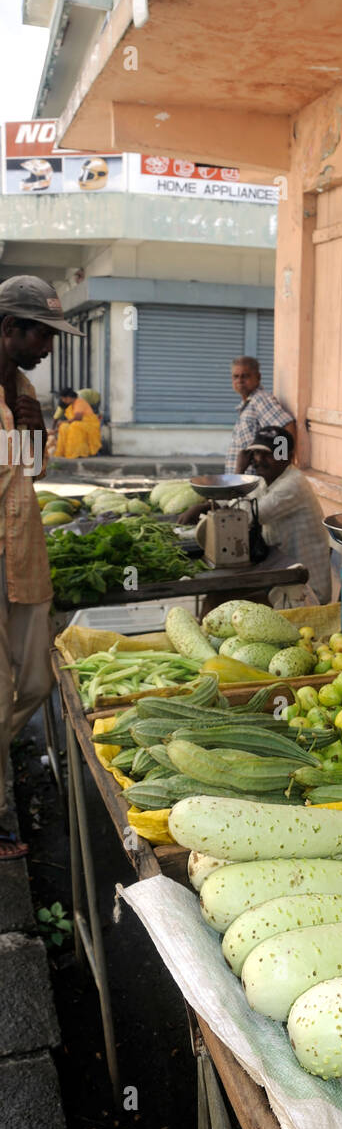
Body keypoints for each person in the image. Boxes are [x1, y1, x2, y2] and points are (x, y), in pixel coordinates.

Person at [0, 275, 81, 857]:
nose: (49, 347)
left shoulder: (23, 386)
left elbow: (30, 474)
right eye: (41, 335)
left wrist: (30, 434)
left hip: (22, 554)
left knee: (34, 679)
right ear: (9, 330)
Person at [182, 426, 331, 605]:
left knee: (216, 602)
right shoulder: (265, 481)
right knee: (216, 597)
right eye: (255, 454)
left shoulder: (293, 485)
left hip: (302, 590)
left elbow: (243, 517)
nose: (259, 460)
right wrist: (204, 506)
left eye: (268, 455)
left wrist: (239, 472)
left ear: (287, 457)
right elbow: (235, 504)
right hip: (278, 572)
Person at [224, 356, 295, 475]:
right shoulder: (248, 404)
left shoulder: (260, 399)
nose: (240, 380)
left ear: (258, 377)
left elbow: (286, 427)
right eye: (236, 376)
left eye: (245, 376)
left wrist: (281, 464)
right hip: (245, 483)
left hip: (255, 483)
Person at [54, 386, 101, 458]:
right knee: (63, 427)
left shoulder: (79, 402)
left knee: (74, 426)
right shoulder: (71, 405)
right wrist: (57, 429)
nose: (63, 401)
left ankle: (79, 452)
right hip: (82, 423)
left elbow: (78, 418)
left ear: (69, 397)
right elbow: (58, 416)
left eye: (64, 399)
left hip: (90, 425)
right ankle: (64, 452)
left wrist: (64, 422)